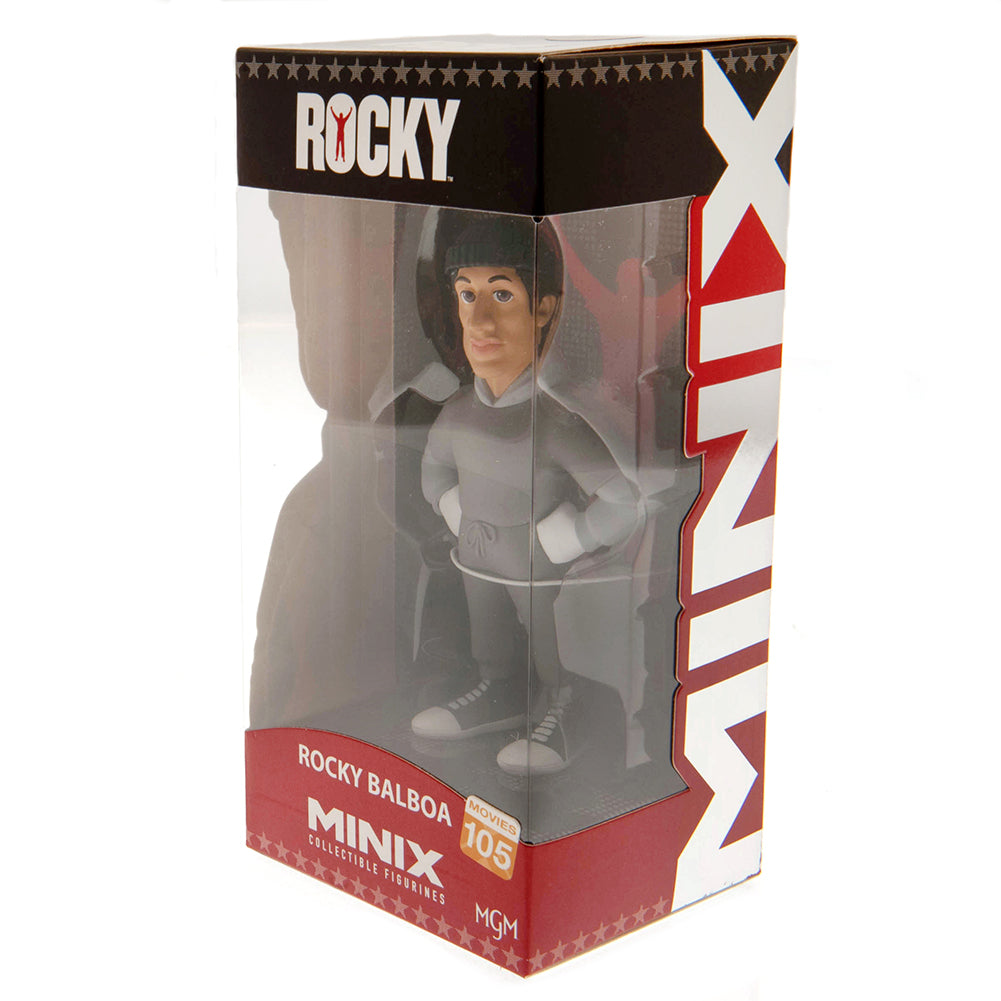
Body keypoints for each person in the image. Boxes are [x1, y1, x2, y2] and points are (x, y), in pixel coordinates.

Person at [411, 216, 639, 776]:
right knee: (487, 634)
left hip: (539, 568)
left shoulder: (556, 424)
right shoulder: (458, 413)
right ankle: (499, 691)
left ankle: (565, 706)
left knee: (551, 643)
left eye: (502, 294)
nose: (481, 319)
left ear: (543, 309)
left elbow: (624, 500)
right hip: (477, 555)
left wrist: (574, 536)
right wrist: (451, 506)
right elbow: (433, 468)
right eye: (467, 295)